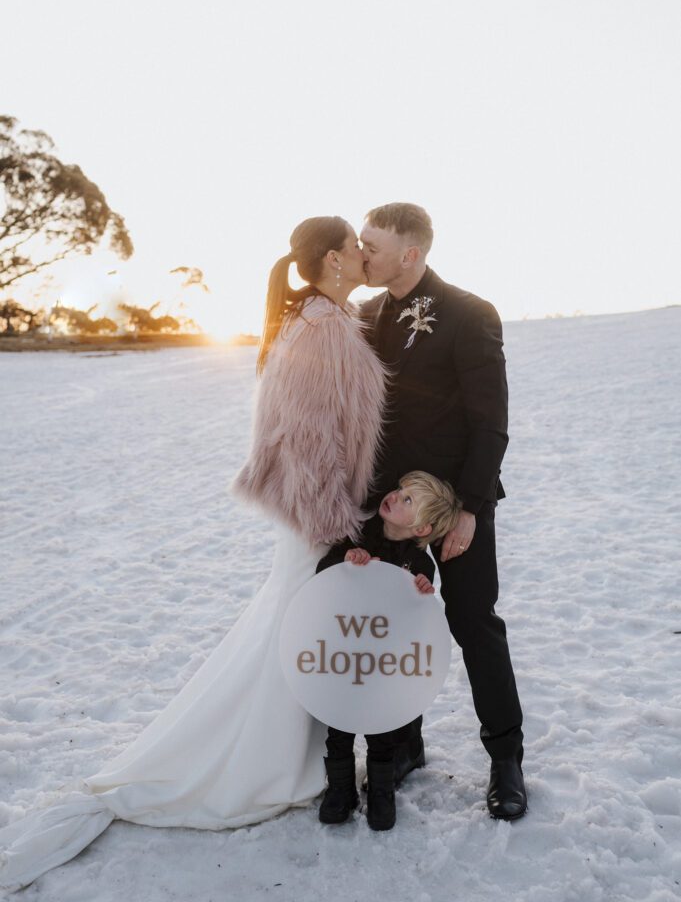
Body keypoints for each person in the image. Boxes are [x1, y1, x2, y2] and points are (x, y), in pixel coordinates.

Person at [0, 216, 387, 892]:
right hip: (319, 519)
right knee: (291, 632)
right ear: (331, 258)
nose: (363, 252)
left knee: (291, 630)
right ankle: (262, 764)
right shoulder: (319, 329)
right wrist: (336, 525)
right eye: (354, 243)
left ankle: (293, 759)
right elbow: (306, 438)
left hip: (322, 517)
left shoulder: (329, 320)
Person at [358, 202, 527, 821]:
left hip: (457, 499)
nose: (362, 252)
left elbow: (491, 420)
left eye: (372, 243)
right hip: (387, 507)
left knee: (474, 621)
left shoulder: (468, 312)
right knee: (395, 620)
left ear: (412, 252)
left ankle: (506, 759)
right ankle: (405, 746)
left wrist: (470, 510)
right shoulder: (366, 311)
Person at [314, 471, 461, 832]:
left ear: (422, 529)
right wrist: (346, 561)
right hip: (345, 656)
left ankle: (382, 794)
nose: (394, 497)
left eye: (408, 500)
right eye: (400, 490)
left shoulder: (420, 565)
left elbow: (416, 618)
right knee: (340, 727)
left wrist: (423, 593)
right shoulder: (358, 538)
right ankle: (341, 790)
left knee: (383, 730)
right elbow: (322, 574)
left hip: (384, 664)